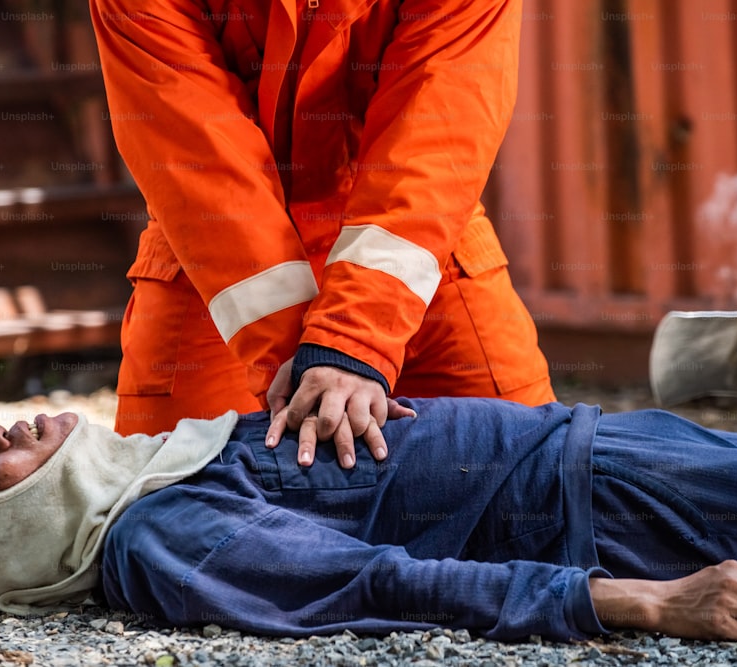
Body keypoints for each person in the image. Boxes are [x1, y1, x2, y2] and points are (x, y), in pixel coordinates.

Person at [0, 396, 737, 643]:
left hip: (604, 450)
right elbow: (375, 583)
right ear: (15, 535)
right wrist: (644, 603)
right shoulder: (165, 536)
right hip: (616, 504)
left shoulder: (153, 475)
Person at [88, 0, 555, 459]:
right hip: (218, 267)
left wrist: (351, 341)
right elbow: (201, 165)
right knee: (165, 500)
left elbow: (437, 133)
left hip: (413, 243)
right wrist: (320, 368)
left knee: (534, 474)